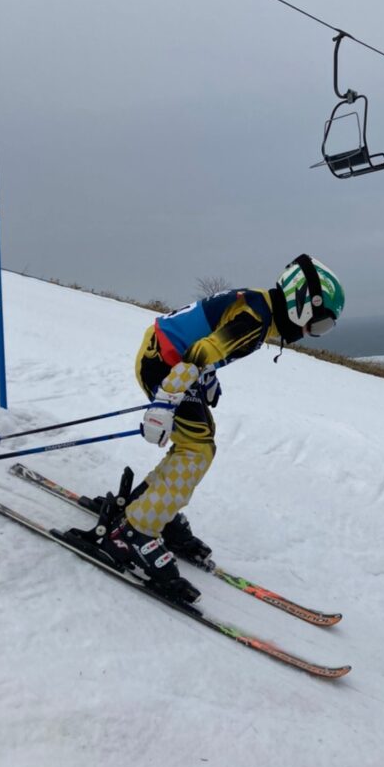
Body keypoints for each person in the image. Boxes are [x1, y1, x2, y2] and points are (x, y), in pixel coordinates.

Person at [97, 253, 345, 603]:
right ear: (302, 305)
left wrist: (208, 377)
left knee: (200, 441)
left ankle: (151, 507)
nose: (311, 334)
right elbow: (201, 351)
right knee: (197, 450)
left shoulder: (260, 306)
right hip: (164, 365)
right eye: (318, 326)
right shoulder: (256, 320)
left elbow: (206, 334)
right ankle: (134, 533)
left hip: (168, 358)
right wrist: (164, 403)